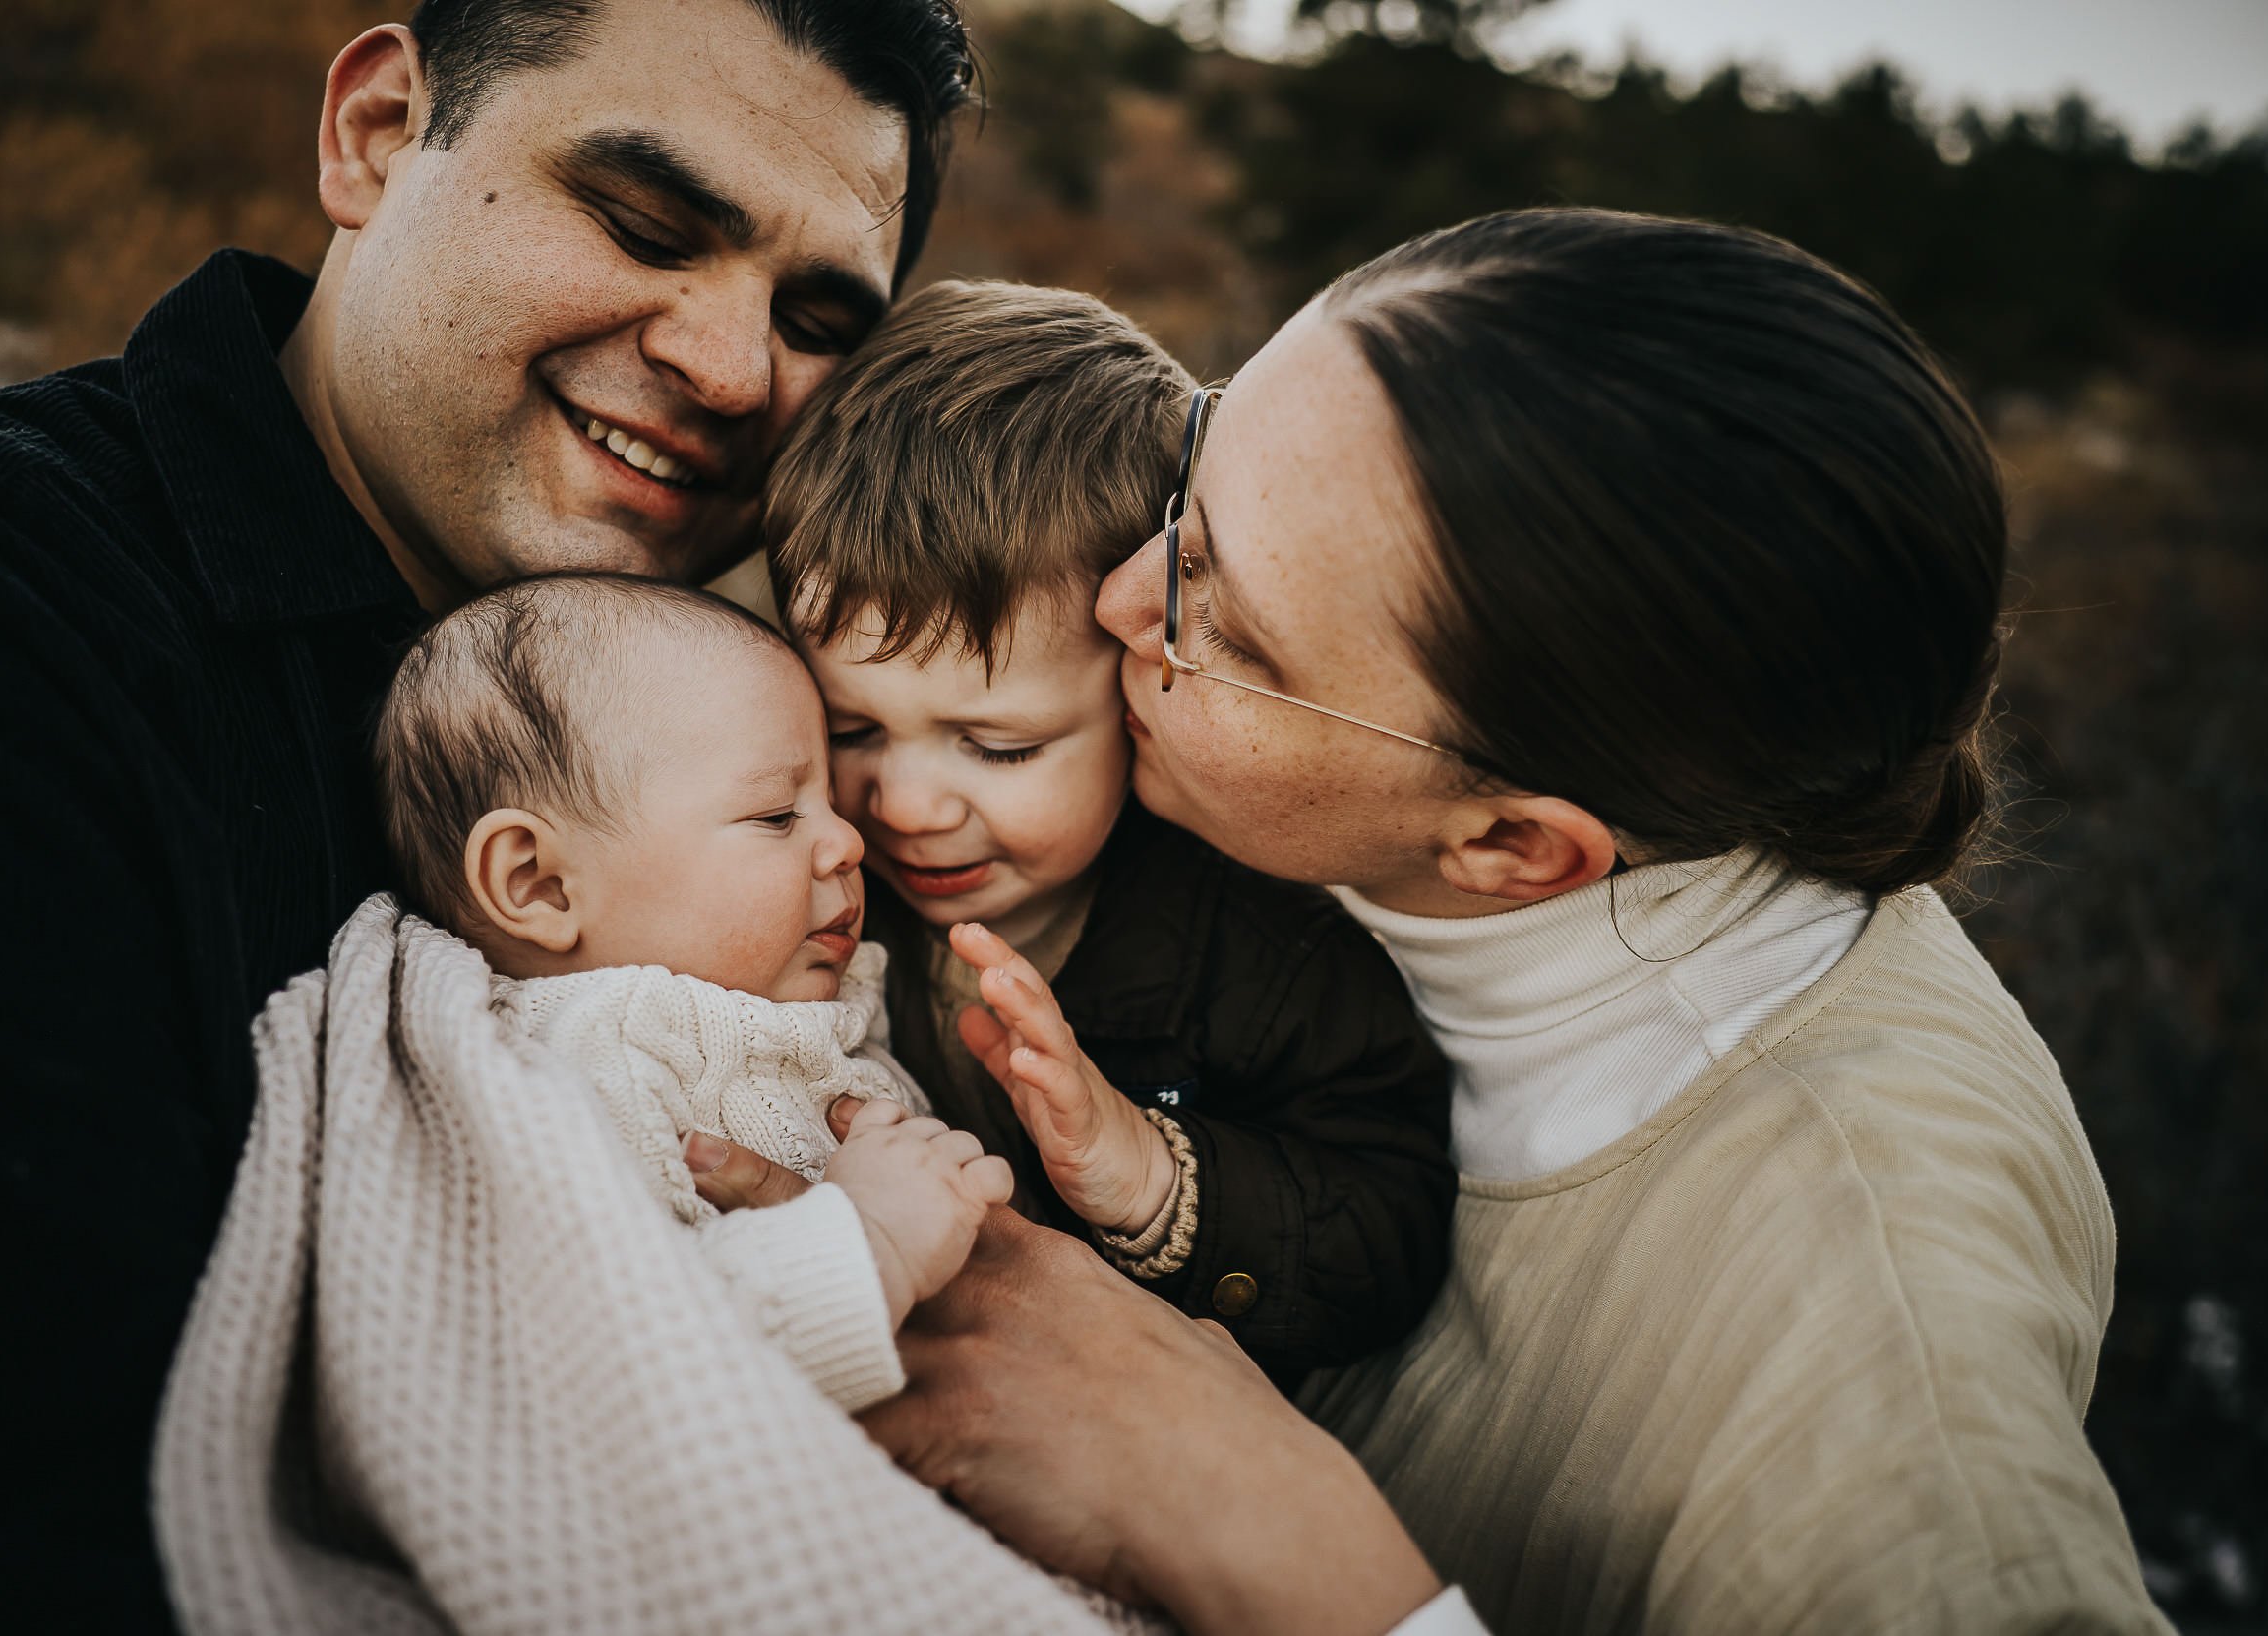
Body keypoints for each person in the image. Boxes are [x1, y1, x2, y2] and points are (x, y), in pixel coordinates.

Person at [693, 209, 2173, 1633]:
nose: (1126, 591)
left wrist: (1247, 1513)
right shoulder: (1338, 669)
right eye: (1198, 478)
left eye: (1224, 613)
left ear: (1514, 844)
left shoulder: (1871, 1320)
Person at [0, 0, 972, 1622]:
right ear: (374, 132)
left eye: (815, 314)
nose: (730, 366)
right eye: (645, 221)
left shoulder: (835, 744)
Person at [762, 278, 1456, 1381]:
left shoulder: (1261, 949)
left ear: (1140, 685)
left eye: (997, 748)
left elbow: (1390, 1232)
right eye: (851, 725)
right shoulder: (794, 876)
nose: (903, 805)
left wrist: (1150, 1177)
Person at [375, 572, 1010, 1408]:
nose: (849, 839)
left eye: (827, 799)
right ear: (539, 884)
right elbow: (614, 1364)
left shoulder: (799, 999)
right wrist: (871, 1243)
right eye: (778, 815)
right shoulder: (585, 1075)